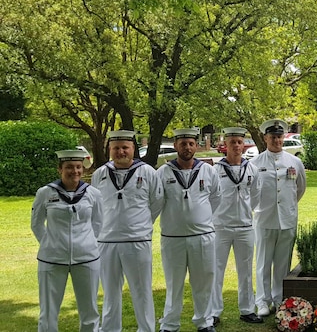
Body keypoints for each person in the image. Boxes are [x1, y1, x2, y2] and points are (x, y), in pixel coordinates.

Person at [91, 130, 163, 332]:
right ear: (109, 150)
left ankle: (146, 329)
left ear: (133, 149)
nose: (121, 151)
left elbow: (157, 202)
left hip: (137, 240)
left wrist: (142, 224)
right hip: (106, 241)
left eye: (125, 147)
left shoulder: (147, 172)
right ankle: (111, 329)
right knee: (110, 292)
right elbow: (95, 206)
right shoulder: (100, 174)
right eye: (116, 148)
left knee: (141, 290)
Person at [31, 149, 103, 332]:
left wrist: (86, 243)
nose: (75, 171)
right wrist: (50, 243)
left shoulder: (93, 194)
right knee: (48, 312)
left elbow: (98, 223)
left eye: (78, 167)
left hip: (86, 258)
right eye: (69, 167)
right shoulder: (45, 193)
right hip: (52, 259)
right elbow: (37, 224)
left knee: (90, 312)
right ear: (60, 170)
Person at [156, 128, 221, 332]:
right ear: (175, 145)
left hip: (202, 236)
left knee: (203, 282)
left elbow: (216, 198)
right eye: (183, 143)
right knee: (174, 283)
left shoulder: (208, 170)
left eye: (191, 143)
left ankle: (204, 322)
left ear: (196, 145)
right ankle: (170, 324)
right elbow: (156, 201)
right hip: (173, 237)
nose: (187, 147)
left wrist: (199, 217)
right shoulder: (163, 172)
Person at [250, 119, 307, 317]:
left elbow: (300, 189)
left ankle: (279, 298)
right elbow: (251, 192)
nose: (277, 140)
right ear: (265, 138)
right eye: (273, 137)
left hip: (287, 219)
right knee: (263, 262)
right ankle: (263, 301)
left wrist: (288, 207)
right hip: (265, 219)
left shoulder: (295, 162)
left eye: (280, 136)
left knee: (283, 262)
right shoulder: (255, 163)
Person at [210, 127, 263, 325]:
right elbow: (211, 197)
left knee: (246, 270)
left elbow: (256, 196)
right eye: (232, 142)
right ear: (225, 145)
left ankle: (247, 309)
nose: (237, 146)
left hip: (244, 227)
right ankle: (214, 312)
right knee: (216, 270)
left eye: (240, 142)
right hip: (221, 227)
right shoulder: (215, 170)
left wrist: (245, 211)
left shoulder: (252, 169)